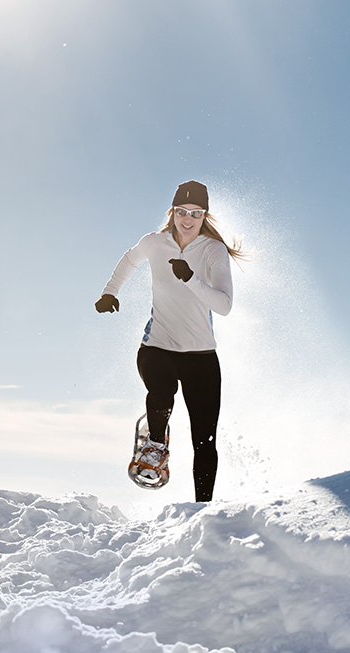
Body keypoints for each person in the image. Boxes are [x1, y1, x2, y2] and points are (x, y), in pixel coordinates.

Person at [94, 180, 246, 503]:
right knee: (161, 391)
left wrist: (191, 278)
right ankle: (156, 441)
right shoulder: (155, 243)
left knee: (204, 442)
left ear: (204, 215)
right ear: (172, 211)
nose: (187, 219)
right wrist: (110, 292)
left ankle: (202, 511)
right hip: (157, 347)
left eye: (195, 213)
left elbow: (225, 305)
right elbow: (129, 259)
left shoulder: (213, 251)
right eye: (181, 211)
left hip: (201, 357)